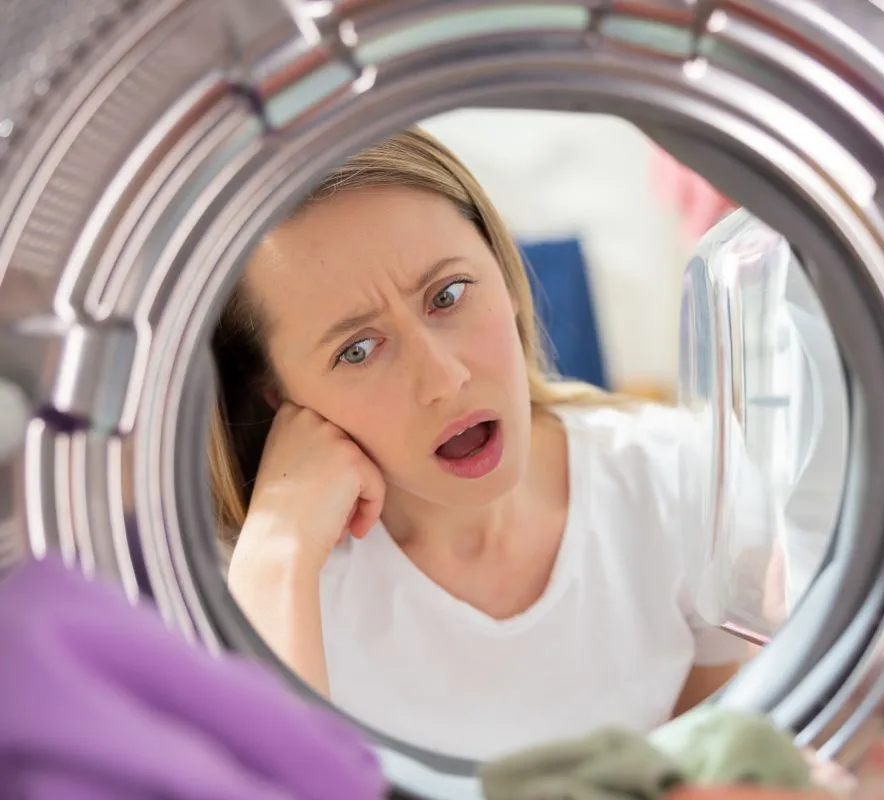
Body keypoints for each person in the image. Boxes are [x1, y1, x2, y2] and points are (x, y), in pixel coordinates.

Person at [208, 128, 771, 763]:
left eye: (447, 295)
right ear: (278, 400)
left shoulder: (681, 477)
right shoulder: (260, 582)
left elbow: (713, 770)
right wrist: (280, 554)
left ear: (501, 274)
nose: (444, 378)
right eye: (357, 350)